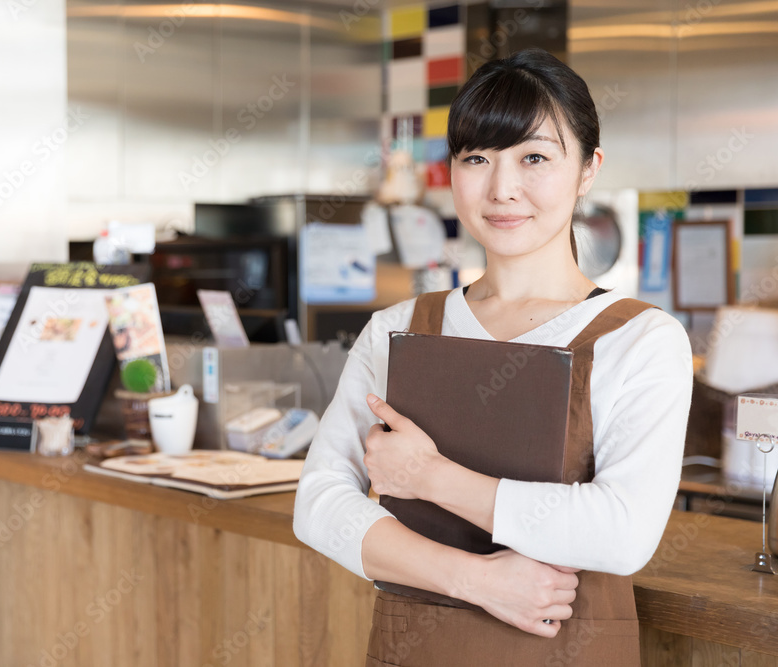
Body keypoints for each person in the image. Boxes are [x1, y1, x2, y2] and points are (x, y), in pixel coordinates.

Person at [292, 48, 693, 666]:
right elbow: (318, 505)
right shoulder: (399, 328)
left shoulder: (639, 338)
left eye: (534, 158)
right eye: (477, 159)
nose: (503, 189)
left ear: (588, 169)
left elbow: (622, 531)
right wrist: (474, 580)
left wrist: (429, 478)